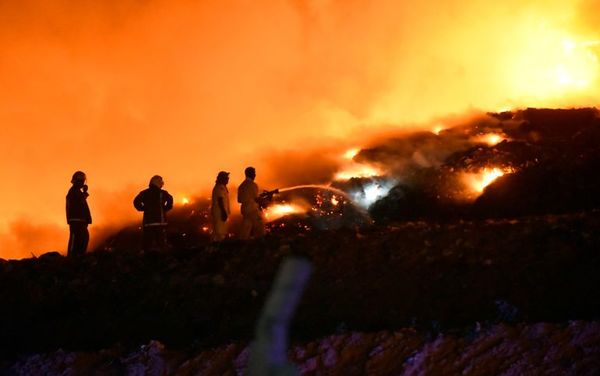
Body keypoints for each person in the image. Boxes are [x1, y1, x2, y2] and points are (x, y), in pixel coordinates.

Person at [133, 175, 174, 251]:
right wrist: (165, 209)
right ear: (157, 182)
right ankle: (163, 259)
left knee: (147, 244)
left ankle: (147, 259)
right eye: (161, 182)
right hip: (160, 223)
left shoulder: (144, 193)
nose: (162, 183)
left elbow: (136, 202)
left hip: (148, 223)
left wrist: (143, 208)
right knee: (162, 244)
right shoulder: (163, 193)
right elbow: (170, 200)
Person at [66, 171, 92, 257]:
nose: (82, 183)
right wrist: (85, 193)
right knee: (75, 241)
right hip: (76, 222)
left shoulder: (76, 191)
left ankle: (79, 257)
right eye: (81, 181)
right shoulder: (73, 192)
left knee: (83, 239)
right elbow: (79, 202)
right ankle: (71, 259)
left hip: (80, 221)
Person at [237, 167, 265, 240]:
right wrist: (265, 201)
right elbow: (256, 199)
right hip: (252, 209)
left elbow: (239, 200)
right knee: (260, 228)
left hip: (245, 210)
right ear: (251, 174)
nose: (255, 175)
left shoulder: (241, 186)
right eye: (254, 173)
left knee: (245, 231)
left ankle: (241, 244)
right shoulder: (253, 185)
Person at [211, 171, 231, 241]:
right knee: (220, 232)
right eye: (226, 177)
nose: (228, 179)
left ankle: (214, 249)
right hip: (219, 213)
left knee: (218, 232)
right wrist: (223, 212)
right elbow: (220, 199)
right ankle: (216, 248)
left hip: (220, 212)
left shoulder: (222, 187)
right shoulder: (220, 187)